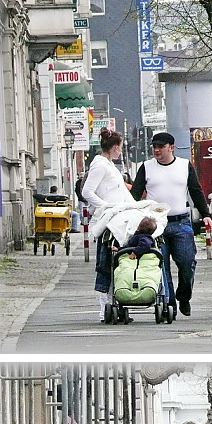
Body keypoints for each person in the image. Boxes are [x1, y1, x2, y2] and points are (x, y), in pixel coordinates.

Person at [130, 132, 212, 318]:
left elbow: (196, 190)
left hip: (181, 222)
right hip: (155, 226)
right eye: (154, 147)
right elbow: (135, 194)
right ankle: (169, 306)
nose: (156, 150)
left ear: (171, 147)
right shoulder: (146, 167)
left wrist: (206, 214)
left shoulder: (184, 166)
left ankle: (184, 296)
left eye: (160, 147)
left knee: (186, 262)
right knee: (161, 265)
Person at [82, 128, 135, 322]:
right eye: (119, 148)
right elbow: (88, 191)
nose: (120, 151)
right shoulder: (101, 166)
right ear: (114, 148)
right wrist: (106, 207)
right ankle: (104, 306)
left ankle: (116, 303)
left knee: (118, 261)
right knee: (106, 262)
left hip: (119, 218)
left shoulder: (109, 165)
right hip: (110, 219)